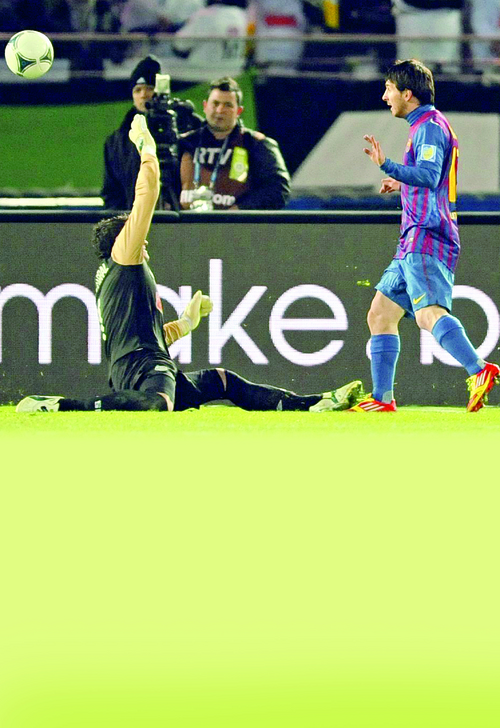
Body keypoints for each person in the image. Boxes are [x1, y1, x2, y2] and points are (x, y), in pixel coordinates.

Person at [17, 113, 363, 415]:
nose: (143, 240)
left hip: (143, 365)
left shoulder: (117, 279)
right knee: (158, 404)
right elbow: (147, 195)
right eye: (135, 234)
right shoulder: (123, 256)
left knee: (223, 380)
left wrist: (185, 323)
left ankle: (312, 404)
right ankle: (63, 406)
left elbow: (145, 336)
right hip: (145, 368)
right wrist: (146, 147)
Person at [351, 59, 499, 413]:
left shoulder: (429, 126)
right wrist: (401, 182)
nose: (384, 96)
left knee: (427, 313)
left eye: (389, 88)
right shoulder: (425, 125)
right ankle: (382, 399)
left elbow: (430, 176)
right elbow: (430, 177)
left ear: (408, 94)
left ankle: (479, 369)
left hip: (427, 234)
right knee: (380, 314)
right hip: (412, 237)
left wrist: (387, 165)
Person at [178, 76, 290, 210]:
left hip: (235, 222)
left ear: (239, 111)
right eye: (215, 103)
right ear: (205, 106)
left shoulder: (256, 144)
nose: (220, 110)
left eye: (228, 105)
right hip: (187, 221)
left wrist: (239, 210)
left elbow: (279, 190)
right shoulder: (184, 143)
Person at [101, 56, 160, 211]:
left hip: (172, 218)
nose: (143, 95)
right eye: (137, 90)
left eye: (149, 88)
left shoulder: (179, 130)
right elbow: (111, 192)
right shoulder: (115, 142)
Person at [165, 0, 248, 82]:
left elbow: (180, 44)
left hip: (201, 75)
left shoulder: (207, 14)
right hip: (234, 73)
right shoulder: (243, 15)